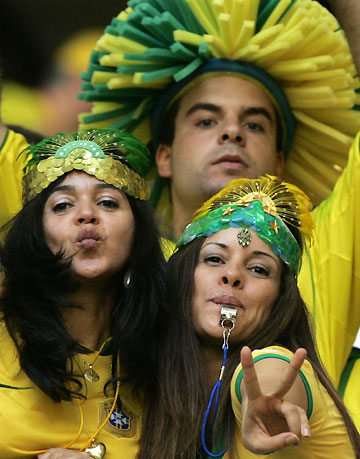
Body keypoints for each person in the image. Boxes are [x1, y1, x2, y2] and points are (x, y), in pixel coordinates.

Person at [78, 0, 360, 428]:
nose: (232, 132)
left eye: (255, 125)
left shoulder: (319, 257)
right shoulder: (106, 254)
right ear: (164, 156)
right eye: (207, 121)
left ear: (280, 163)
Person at [138, 176, 360, 458]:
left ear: (280, 302)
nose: (232, 275)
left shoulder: (281, 366)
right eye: (215, 259)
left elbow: (267, 371)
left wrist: (269, 401)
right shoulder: (137, 383)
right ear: (183, 276)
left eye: (258, 269)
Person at [0, 128, 166, 458]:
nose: (86, 214)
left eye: (107, 202)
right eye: (62, 206)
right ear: (36, 234)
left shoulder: (165, 347)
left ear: (137, 232)